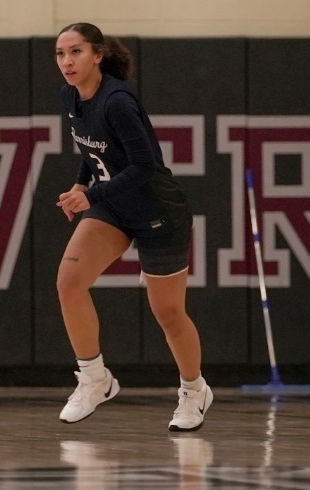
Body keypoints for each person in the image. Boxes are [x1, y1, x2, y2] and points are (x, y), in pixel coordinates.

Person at [52, 23, 210, 430]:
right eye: (60, 54)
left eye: (76, 52)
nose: (67, 62)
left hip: (158, 210)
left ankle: (194, 391)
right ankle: (95, 379)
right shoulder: (71, 96)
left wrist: (92, 196)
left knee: (168, 313)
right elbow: (90, 148)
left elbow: (143, 166)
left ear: (97, 55)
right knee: (69, 281)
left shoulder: (118, 101)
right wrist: (80, 182)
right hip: (114, 207)